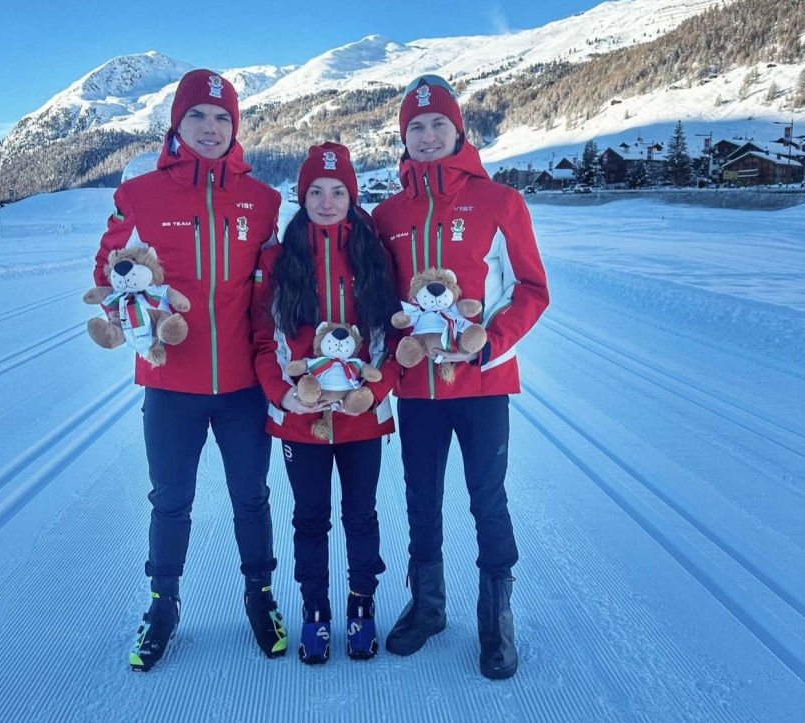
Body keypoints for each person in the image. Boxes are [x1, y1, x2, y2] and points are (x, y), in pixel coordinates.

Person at [93, 69, 289, 672]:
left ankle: (260, 597)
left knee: (251, 498)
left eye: (222, 117)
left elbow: (275, 287)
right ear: (177, 124)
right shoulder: (141, 195)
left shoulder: (262, 202)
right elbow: (109, 272)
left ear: (236, 127)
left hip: (242, 387)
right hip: (170, 385)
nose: (210, 128)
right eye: (198, 117)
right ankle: (163, 606)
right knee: (170, 501)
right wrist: (120, 301)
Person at [372, 75, 549, 680]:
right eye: (414, 127)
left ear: (459, 131)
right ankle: (427, 607)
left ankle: (496, 618)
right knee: (421, 498)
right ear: (403, 136)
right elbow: (377, 300)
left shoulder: (500, 202)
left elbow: (531, 288)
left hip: (481, 386)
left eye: (437, 125)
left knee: (487, 499)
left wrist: (489, 344)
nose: (426, 136)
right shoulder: (387, 213)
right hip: (418, 390)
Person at [253, 142, 400, 664]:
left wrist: (374, 392)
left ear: (352, 195)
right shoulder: (278, 258)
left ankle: (363, 608)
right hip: (300, 418)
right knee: (310, 518)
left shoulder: (372, 254)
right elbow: (263, 341)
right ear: (302, 195)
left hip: (361, 417)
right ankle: (315, 612)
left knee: (361, 515)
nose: (327, 201)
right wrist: (282, 393)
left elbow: (389, 338)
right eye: (315, 190)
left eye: (339, 191)